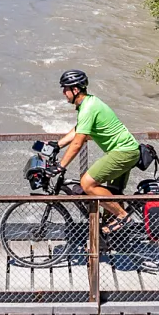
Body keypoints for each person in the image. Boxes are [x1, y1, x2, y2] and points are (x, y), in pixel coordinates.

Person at [52, 69, 140, 235]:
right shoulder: (89, 103)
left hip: (123, 152)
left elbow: (78, 142)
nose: (64, 93)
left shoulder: (88, 108)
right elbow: (79, 129)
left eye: (65, 88)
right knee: (111, 195)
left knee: (87, 183)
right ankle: (108, 241)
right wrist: (58, 145)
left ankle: (123, 216)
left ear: (75, 90)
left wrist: (61, 166)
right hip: (125, 151)